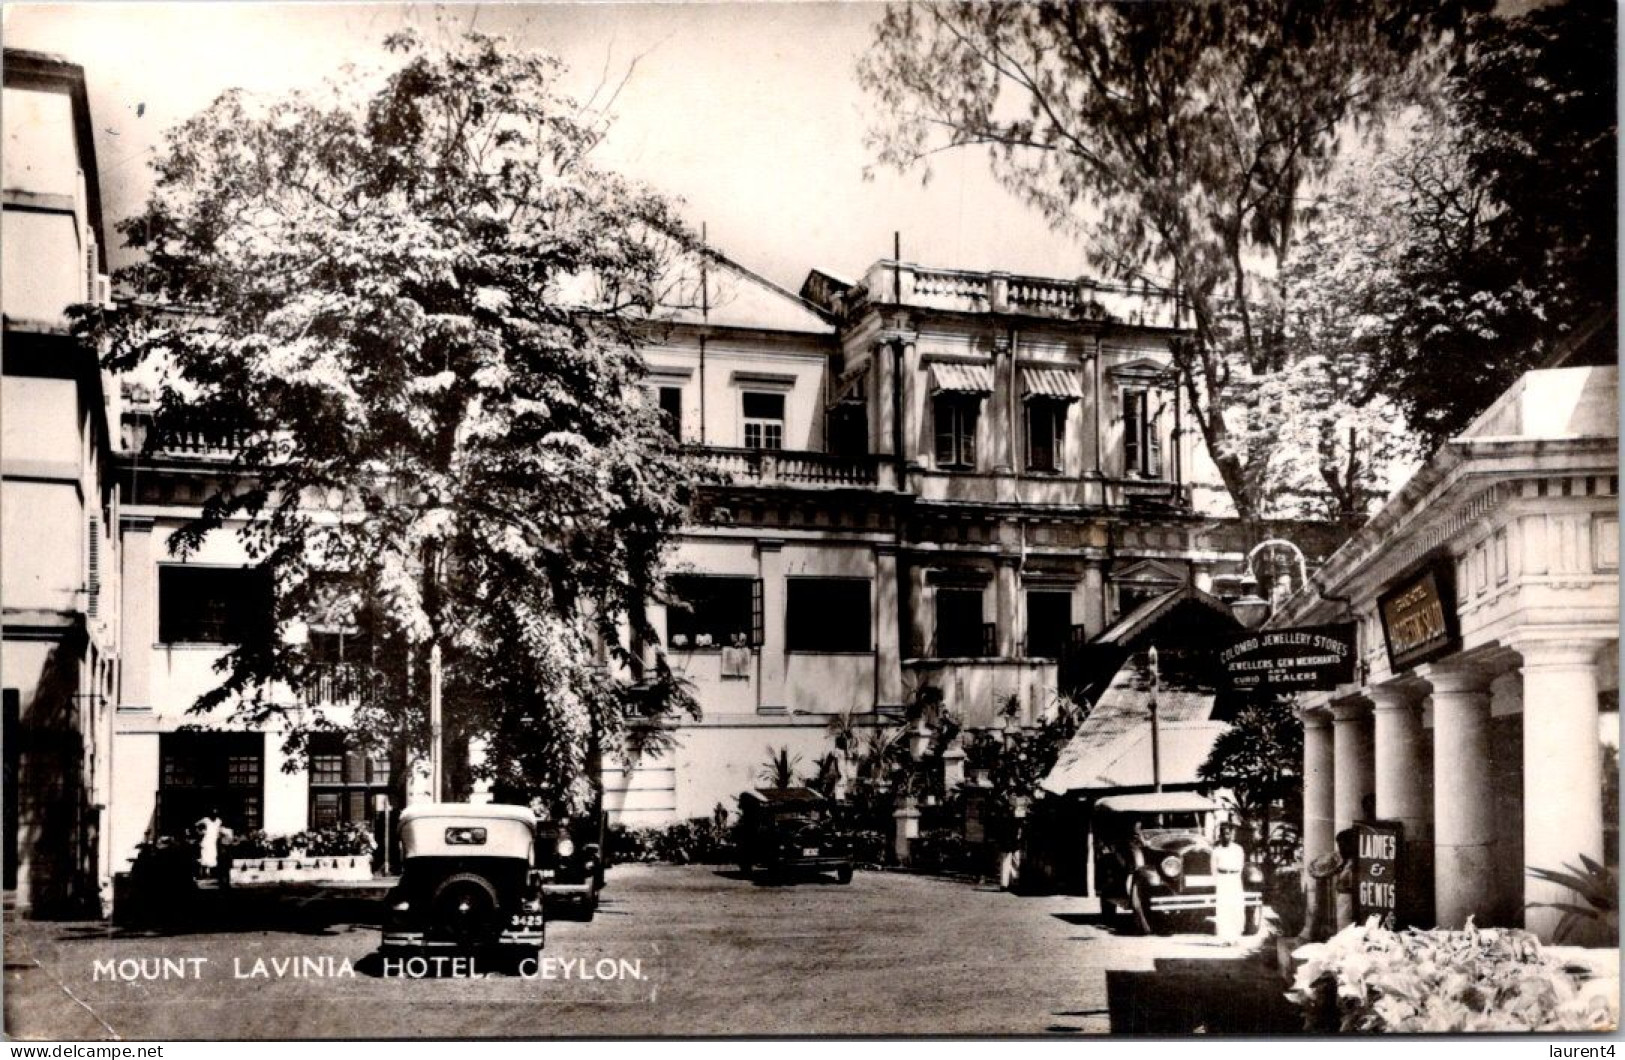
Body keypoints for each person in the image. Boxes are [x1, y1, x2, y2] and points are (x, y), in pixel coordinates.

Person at [1213, 821, 1246, 944]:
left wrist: (1234, 878)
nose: (1225, 836)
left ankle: (1235, 937)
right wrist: (1219, 882)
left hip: (1234, 879)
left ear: (1231, 835)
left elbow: (1241, 866)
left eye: (1227, 833)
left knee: (1236, 907)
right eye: (1223, 834)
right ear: (1220, 836)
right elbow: (1213, 869)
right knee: (1223, 909)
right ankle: (1225, 938)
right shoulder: (1216, 851)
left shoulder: (1238, 849)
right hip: (1222, 880)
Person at [195, 808, 224, 883]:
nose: (214, 815)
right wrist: (200, 832)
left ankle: (210, 875)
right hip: (206, 841)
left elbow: (219, 830)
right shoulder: (206, 820)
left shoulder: (219, 821)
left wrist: (219, 835)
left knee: (212, 857)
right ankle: (203, 875)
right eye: (212, 814)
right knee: (204, 857)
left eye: (215, 814)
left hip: (213, 842)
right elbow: (196, 824)